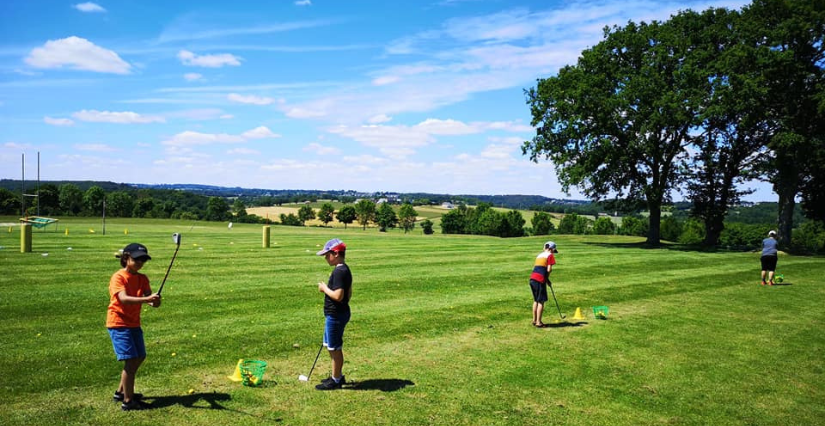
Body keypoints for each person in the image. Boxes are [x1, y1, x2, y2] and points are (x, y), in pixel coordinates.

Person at [107, 243, 161, 410]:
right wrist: (147, 300)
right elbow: (123, 298)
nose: (140, 263)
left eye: (143, 260)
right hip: (118, 323)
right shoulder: (119, 277)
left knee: (140, 356)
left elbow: (150, 300)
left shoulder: (142, 278)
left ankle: (120, 392)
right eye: (137, 259)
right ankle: (128, 401)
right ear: (126, 258)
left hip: (134, 323)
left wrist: (154, 301)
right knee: (131, 362)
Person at [315, 238, 353, 390]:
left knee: (334, 348)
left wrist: (324, 288)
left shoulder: (339, 271)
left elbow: (338, 295)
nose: (325, 257)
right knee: (331, 346)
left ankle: (336, 380)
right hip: (339, 313)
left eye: (327, 254)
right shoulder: (344, 269)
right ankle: (336, 375)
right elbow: (349, 293)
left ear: (336, 253)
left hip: (335, 315)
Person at [529, 241, 558, 328]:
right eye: (553, 251)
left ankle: (534, 320)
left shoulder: (539, 255)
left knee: (536, 300)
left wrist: (547, 280)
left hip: (532, 279)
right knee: (541, 301)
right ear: (550, 249)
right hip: (539, 280)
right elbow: (549, 269)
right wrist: (546, 279)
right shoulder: (550, 255)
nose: (553, 253)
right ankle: (538, 322)